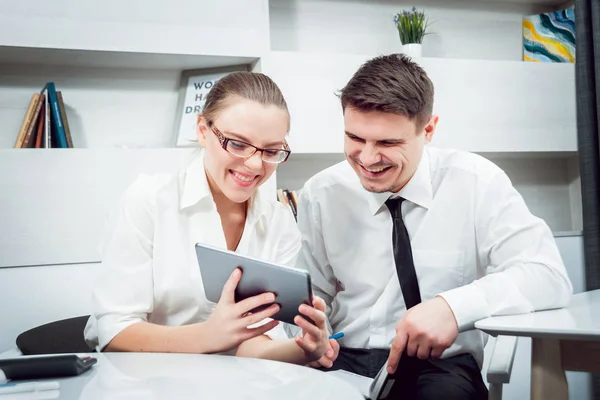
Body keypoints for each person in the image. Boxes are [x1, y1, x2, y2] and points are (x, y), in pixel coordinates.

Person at [297, 54, 573, 399]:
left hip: (442, 366)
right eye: (355, 138)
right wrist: (308, 337)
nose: (367, 159)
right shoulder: (321, 193)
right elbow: (312, 292)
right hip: (342, 357)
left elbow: (548, 275)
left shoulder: (477, 183)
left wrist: (453, 307)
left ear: (428, 129)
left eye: (387, 143)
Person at [84, 71, 337, 367]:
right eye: (238, 144)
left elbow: (251, 342)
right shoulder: (149, 200)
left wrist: (306, 349)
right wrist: (208, 336)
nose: (255, 165)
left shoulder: (278, 221)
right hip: (145, 382)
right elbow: (115, 333)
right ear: (203, 129)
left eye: (270, 150)